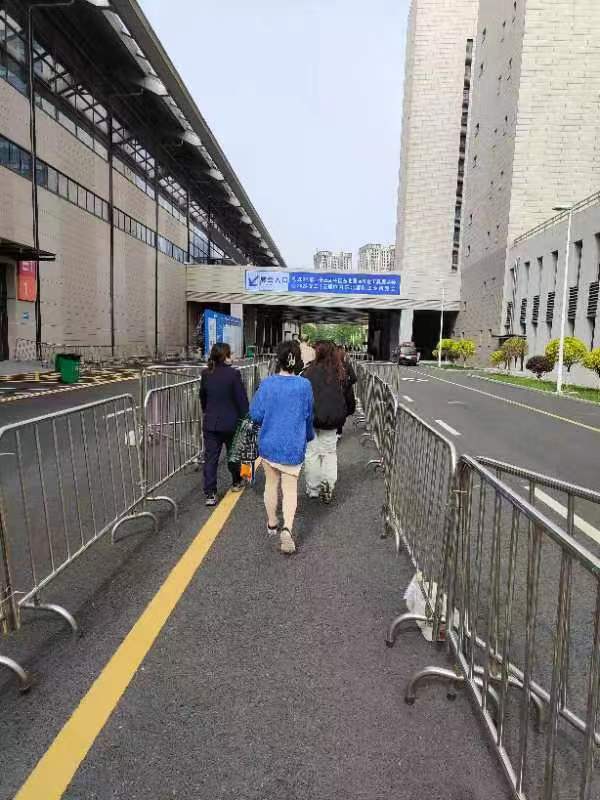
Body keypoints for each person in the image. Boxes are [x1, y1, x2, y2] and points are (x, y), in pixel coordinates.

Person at [250, 340, 314, 555]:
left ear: (278, 359)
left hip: (269, 444)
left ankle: (272, 523)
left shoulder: (268, 384)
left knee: (271, 484)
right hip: (293, 445)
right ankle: (287, 528)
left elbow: (255, 414)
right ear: (297, 360)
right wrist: (308, 436)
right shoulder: (304, 385)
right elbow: (308, 415)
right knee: (290, 489)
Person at [200, 342, 249, 507]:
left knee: (210, 458)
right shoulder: (233, 374)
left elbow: (203, 397)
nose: (232, 356)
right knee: (233, 455)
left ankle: (210, 493)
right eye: (230, 354)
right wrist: (246, 418)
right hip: (231, 423)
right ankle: (236, 481)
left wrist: (206, 411)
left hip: (211, 423)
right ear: (225, 356)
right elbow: (241, 400)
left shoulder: (206, 373)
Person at [303, 341, 347, 503]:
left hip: (312, 419)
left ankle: (313, 488)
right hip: (331, 420)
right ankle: (327, 485)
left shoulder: (308, 372)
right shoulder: (339, 371)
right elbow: (346, 396)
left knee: (311, 453)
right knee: (329, 453)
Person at [336, 344, 357, 438]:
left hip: (334, 393)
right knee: (342, 411)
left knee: (337, 410)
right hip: (345, 393)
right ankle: (339, 431)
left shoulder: (331, 365)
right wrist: (347, 384)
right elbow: (354, 378)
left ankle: (337, 430)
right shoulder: (347, 365)